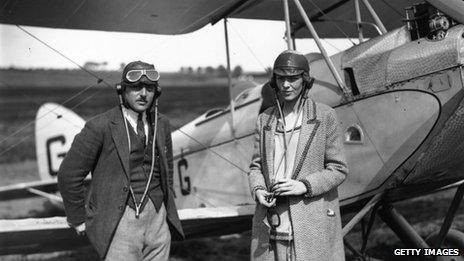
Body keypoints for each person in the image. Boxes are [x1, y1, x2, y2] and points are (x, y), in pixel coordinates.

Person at [58, 61, 184, 260]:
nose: (143, 93)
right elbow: (68, 174)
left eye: (149, 88)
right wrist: (78, 220)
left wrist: (165, 215)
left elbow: (167, 168)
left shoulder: (162, 123)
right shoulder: (99, 127)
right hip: (119, 224)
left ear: (156, 92)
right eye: (136, 87)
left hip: (158, 223)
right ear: (122, 90)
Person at [248, 50, 348, 261]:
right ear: (274, 81)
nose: (286, 85)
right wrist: (258, 189)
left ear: (305, 80)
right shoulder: (265, 119)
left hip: (309, 225)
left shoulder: (325, 115)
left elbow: (338, 169)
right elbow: (256, 167)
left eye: (292, 78)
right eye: (281, 78)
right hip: (272, 227)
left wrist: (304, 186)